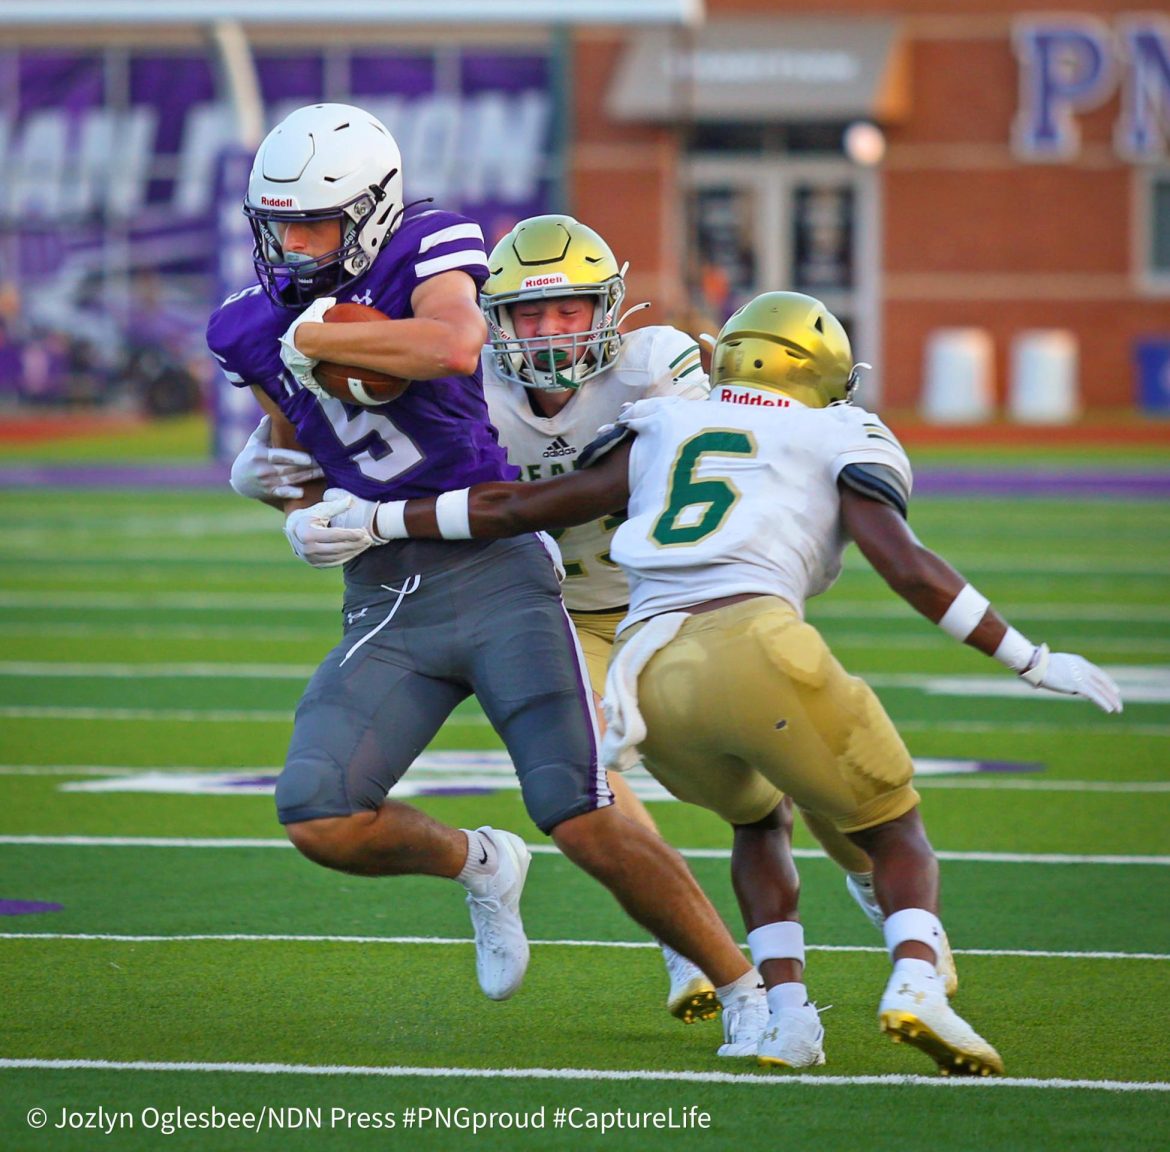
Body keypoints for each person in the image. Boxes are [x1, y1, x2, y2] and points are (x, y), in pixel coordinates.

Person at [314, 290, 1123, 1074]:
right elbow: (906, 566)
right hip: (753, 640)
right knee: (892, 824)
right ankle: (916, 977)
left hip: (648, 670)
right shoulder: (841, 428)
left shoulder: (666, 415)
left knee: (760, 824)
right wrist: (1031, 658)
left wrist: (378, 520)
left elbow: (517, 507)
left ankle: (788, 1021)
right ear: (823, 374)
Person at [238, 211, 907, 1019]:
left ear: (610, 309)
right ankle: (681, 940)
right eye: (528, 313)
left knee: (803, 769)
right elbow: (357, 435)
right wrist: (280, 462)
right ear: (495, 319)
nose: (550, 330)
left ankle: (874, 877)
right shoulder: (463, 391)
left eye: (570, 310)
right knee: (592, 775)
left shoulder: (659, 369)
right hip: (575, 611)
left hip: (690, 600)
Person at [207, 103, 767, 1049]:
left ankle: (745, 989)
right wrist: (284, 503)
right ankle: (479, 865)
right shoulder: (244, 326)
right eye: (281, 224)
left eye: (316, 222)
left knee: (579, 809)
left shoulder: (429, 241)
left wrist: (320, 339)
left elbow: (453, 345)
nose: (296, 245)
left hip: (498, 572)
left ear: (374, 209)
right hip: (387, 593)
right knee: (318, 811)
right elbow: (304, 452)